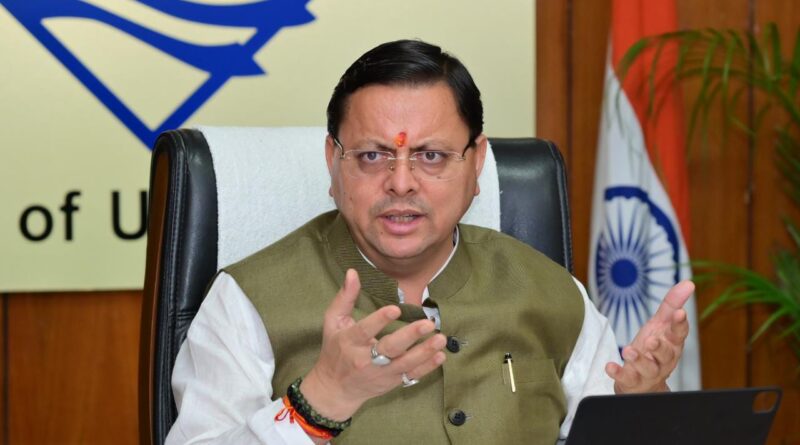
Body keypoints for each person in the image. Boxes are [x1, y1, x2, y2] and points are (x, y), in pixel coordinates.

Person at [166, 39, 692, 444]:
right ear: (333, 161)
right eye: (373, 156)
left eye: (431, 156)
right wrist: (318, 402)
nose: (401, 183)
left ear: (476, 162)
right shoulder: (246, 300)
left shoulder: (552, 293)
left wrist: (643, 408)